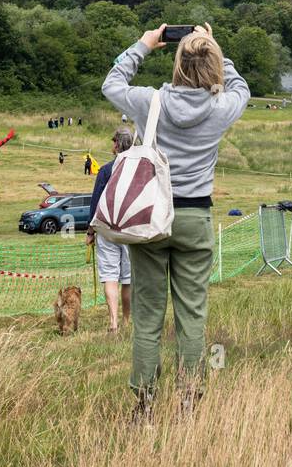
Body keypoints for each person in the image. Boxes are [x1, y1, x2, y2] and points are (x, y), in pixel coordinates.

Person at [101, 22, 249, 417]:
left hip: (151, 218)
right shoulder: (220, 108)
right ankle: (189, 397)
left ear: (177, 64)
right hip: (195, 218)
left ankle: (145, 402)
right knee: (192, 313)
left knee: (148, 314)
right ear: (214, 65)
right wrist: (214, 45)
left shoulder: (151, 102)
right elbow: (242, 88)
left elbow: (111, 83)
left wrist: (144, 45)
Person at [86, 128, 135, 332]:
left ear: (116, 144)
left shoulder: (106, 170)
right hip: (130, 229)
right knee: (128, 279)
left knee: (110, 276)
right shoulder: (138, 169)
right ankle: (126, 320)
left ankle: (113, 322)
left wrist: (90, 231)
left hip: (107, 229)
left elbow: (96, 202)